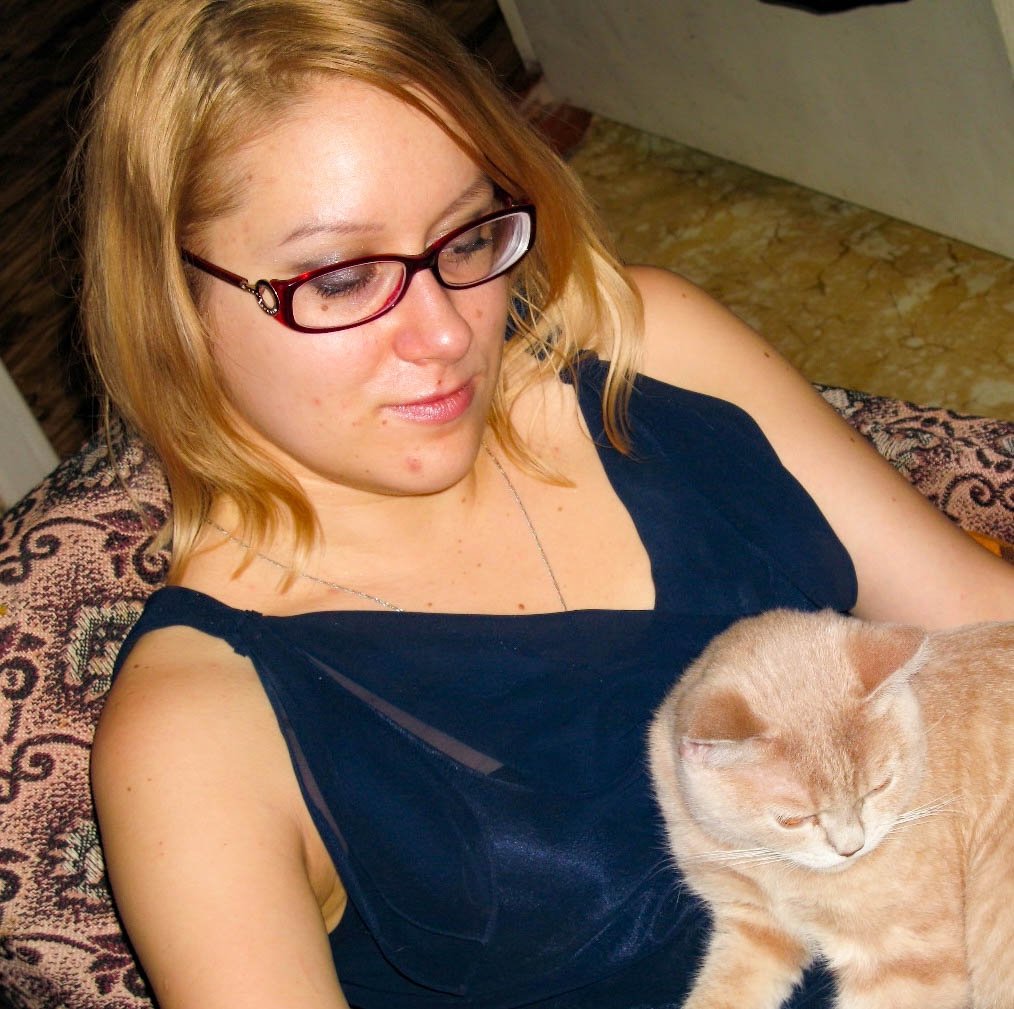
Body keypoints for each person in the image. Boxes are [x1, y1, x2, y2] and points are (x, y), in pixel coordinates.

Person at [83, 2, 1014, 1008]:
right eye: (342, 278)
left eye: (468, 234)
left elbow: (984, 620)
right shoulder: (201, 738)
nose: (448, 334)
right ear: (173, 300)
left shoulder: (650, 351)